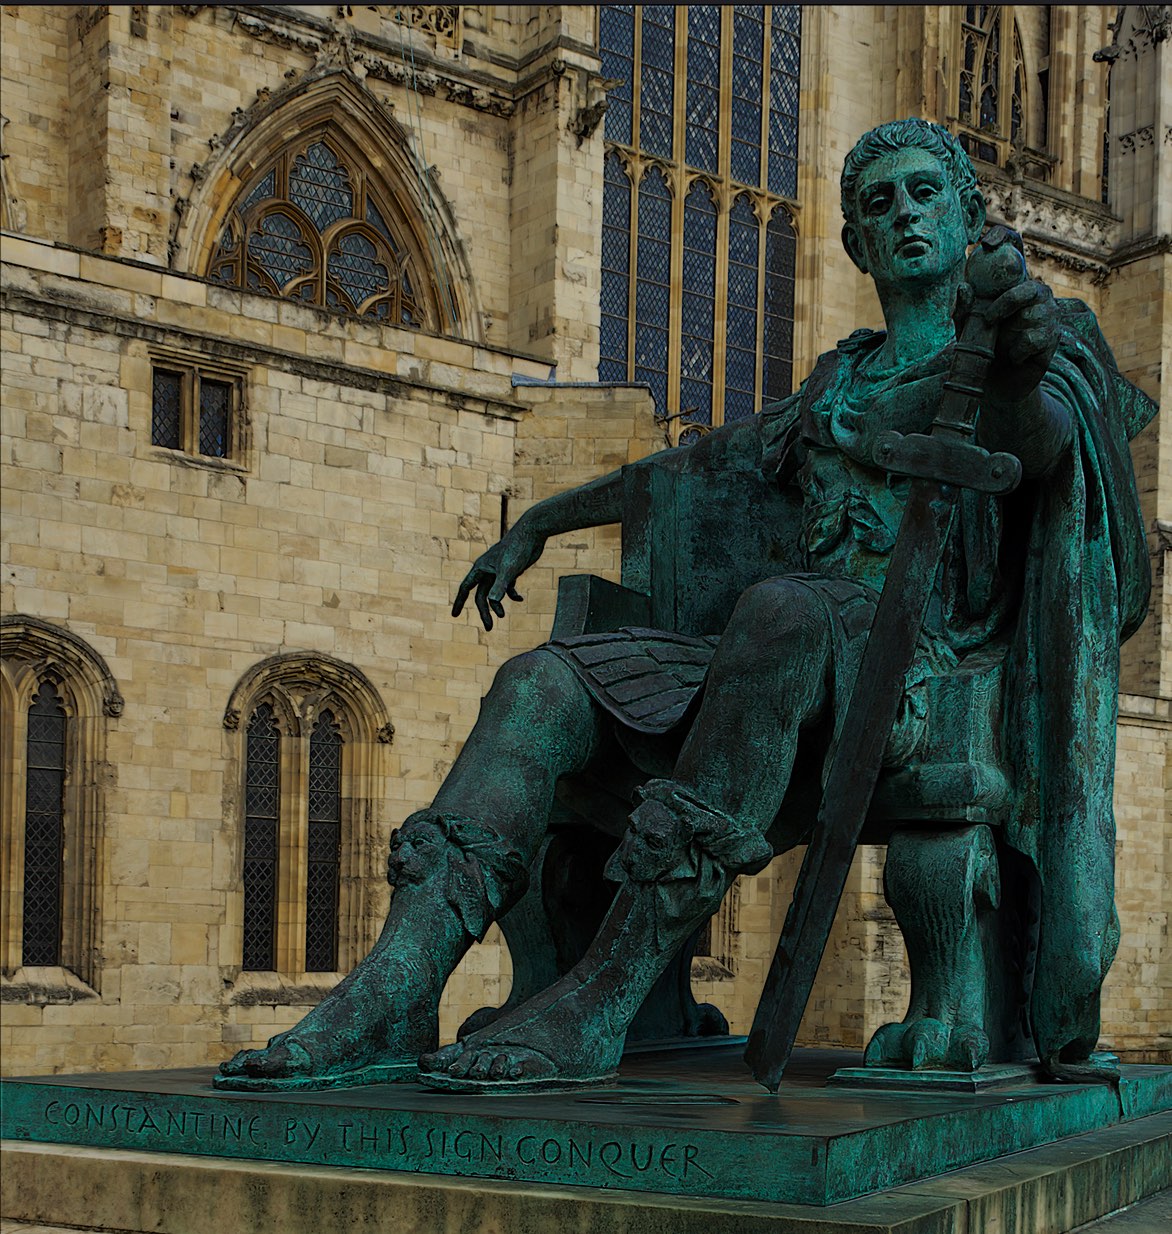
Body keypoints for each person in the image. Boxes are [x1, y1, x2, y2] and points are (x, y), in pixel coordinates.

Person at [217, 119, 1154, 1094]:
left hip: (913, 671)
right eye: (878, 203)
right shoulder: (834, 382)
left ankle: (603, 996)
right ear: (852, 244)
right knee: (538, 683)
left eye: (924, 194)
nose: (904, 215)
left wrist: (1010, 364)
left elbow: (1036, 444)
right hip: (776, 653)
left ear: (966, 216)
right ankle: (396, 986)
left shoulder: (1001, 359)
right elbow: (695, 467)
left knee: (780, 610)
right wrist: (545, 518)